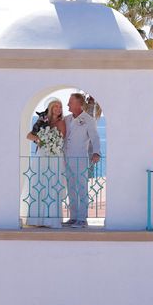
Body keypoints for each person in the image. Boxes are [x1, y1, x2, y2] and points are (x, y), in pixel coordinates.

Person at [24, 98, 67, 228]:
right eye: (55, 106)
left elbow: (62, 139)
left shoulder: (62, 122)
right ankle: (37, 219)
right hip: (41, 155)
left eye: (60, 107)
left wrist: (52, 143)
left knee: (52, 184)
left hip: (55, 156)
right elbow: (29, 135)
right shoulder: (42, 120)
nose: (58, 109)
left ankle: (51, 219)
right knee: (39, 184)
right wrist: (39, 140)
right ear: (50, 108)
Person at [63, 93, 101, 228]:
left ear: (79, 104)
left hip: (80, 159)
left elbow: (95, 138)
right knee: (71, 188)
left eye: (70, 102)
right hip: (66, 158)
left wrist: (96, 152)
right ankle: (73, 217)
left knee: (82, 188)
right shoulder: (66, 119)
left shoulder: (88, 119)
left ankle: (82, 218)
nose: (68, 105)